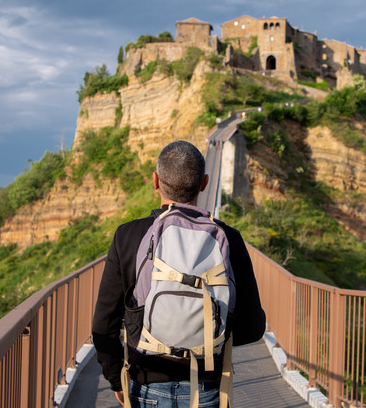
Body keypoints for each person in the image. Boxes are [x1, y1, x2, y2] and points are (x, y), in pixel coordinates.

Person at [92, 140, 266, 407]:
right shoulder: (230, 239)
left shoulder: (128, 236)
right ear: (204, 183)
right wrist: (208, 335)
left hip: (145, 386)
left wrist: (116, 379)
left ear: (156, 181)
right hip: (207, 390)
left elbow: (103, 326)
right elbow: (253, 327)